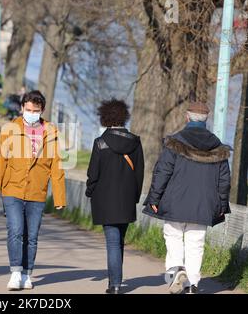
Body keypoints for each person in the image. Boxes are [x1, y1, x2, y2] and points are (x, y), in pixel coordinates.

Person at [142, 102, 231, 294]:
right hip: (203, 205)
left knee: (173, 237)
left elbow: (162, 172)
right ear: (206, 119)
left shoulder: (175, 142)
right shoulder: (218, 147)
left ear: (187, 117)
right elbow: (224, 180)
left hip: (175, 202)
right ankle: (192, 284)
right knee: (196, 243)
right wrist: (222, 204)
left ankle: (176, 271)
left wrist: (154, 199)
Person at [0, 90, 66, 291]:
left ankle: (26, 274)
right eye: (28, 109)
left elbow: (56, 166)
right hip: (12, 189)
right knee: (15, 230)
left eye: (35, 110)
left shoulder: (51, 131)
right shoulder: (10, 129)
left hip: (37, 192)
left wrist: (59, 196)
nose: (31, 113)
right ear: (22, 108)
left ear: (42, 110)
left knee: (31, 235)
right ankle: (15, 272)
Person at [85, 99, 144, 294]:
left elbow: (93, 173)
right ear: (124, 117)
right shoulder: (135, 142)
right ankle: (116, 281)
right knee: (119, 242)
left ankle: (115, 285)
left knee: (112, 242)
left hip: (105, 200)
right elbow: (139, 174)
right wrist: (135, 196)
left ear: (105, 117)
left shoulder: (100, 143)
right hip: (126, 199)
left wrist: (90, 190)